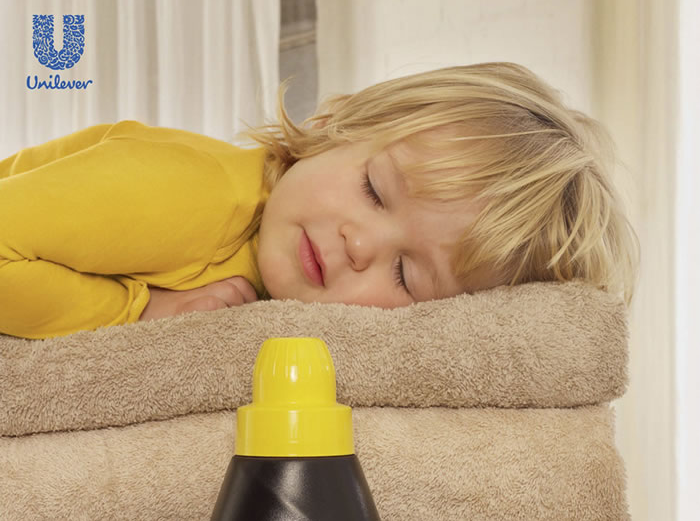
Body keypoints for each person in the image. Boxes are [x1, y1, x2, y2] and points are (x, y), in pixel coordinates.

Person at [0, 62, 639, 339]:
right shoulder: (191, 191)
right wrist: (139, 311)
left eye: (407, 275)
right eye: (374, 190)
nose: (359, 243)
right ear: (338, 126)